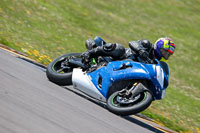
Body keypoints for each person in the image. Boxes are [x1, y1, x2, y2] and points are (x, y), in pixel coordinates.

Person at [81, 36, 175, 64]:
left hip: (125, 68)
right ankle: (89, 53)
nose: (165, 55)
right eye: (164, 51)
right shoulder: (147, 45)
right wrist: (141, 51)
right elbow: (132, 43)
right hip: (120, 57)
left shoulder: (155, 63)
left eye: (168, 54)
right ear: (159, 46)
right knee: (119, 48)